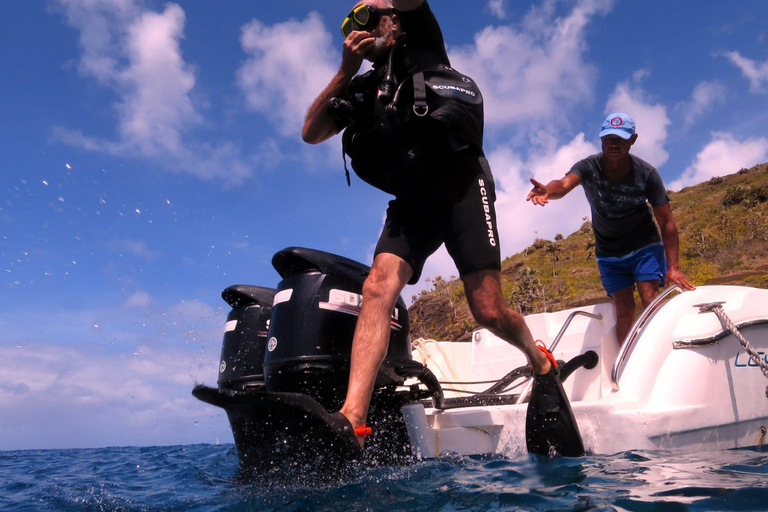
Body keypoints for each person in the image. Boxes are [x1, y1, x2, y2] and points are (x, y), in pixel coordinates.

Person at [302, 0, 582, 455]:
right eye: (355, 24)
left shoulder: (422, 47)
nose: (368, 28)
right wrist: (344, 70)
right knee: (377, 286)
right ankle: (353, 417)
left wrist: (390, 2)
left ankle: (540, 361)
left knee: (488, 311)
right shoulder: (359, 89)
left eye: (373, 16)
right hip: (413, 203)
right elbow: (311, 132)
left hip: (461, 187)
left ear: (393, 18)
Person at [526, 112, 695, 345]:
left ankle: (662, 348)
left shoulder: (647, 174)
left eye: (621, 139)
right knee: (623, 307)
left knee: (649, 296)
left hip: (644, 245)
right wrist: (548, 191)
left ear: (633, 140)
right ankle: (625, 361)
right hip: (608, 252)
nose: (614, 144)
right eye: (609, 139)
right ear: (601, 140)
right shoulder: (588, 167)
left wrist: (673, 267)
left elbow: (667, 222)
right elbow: (563, 185)